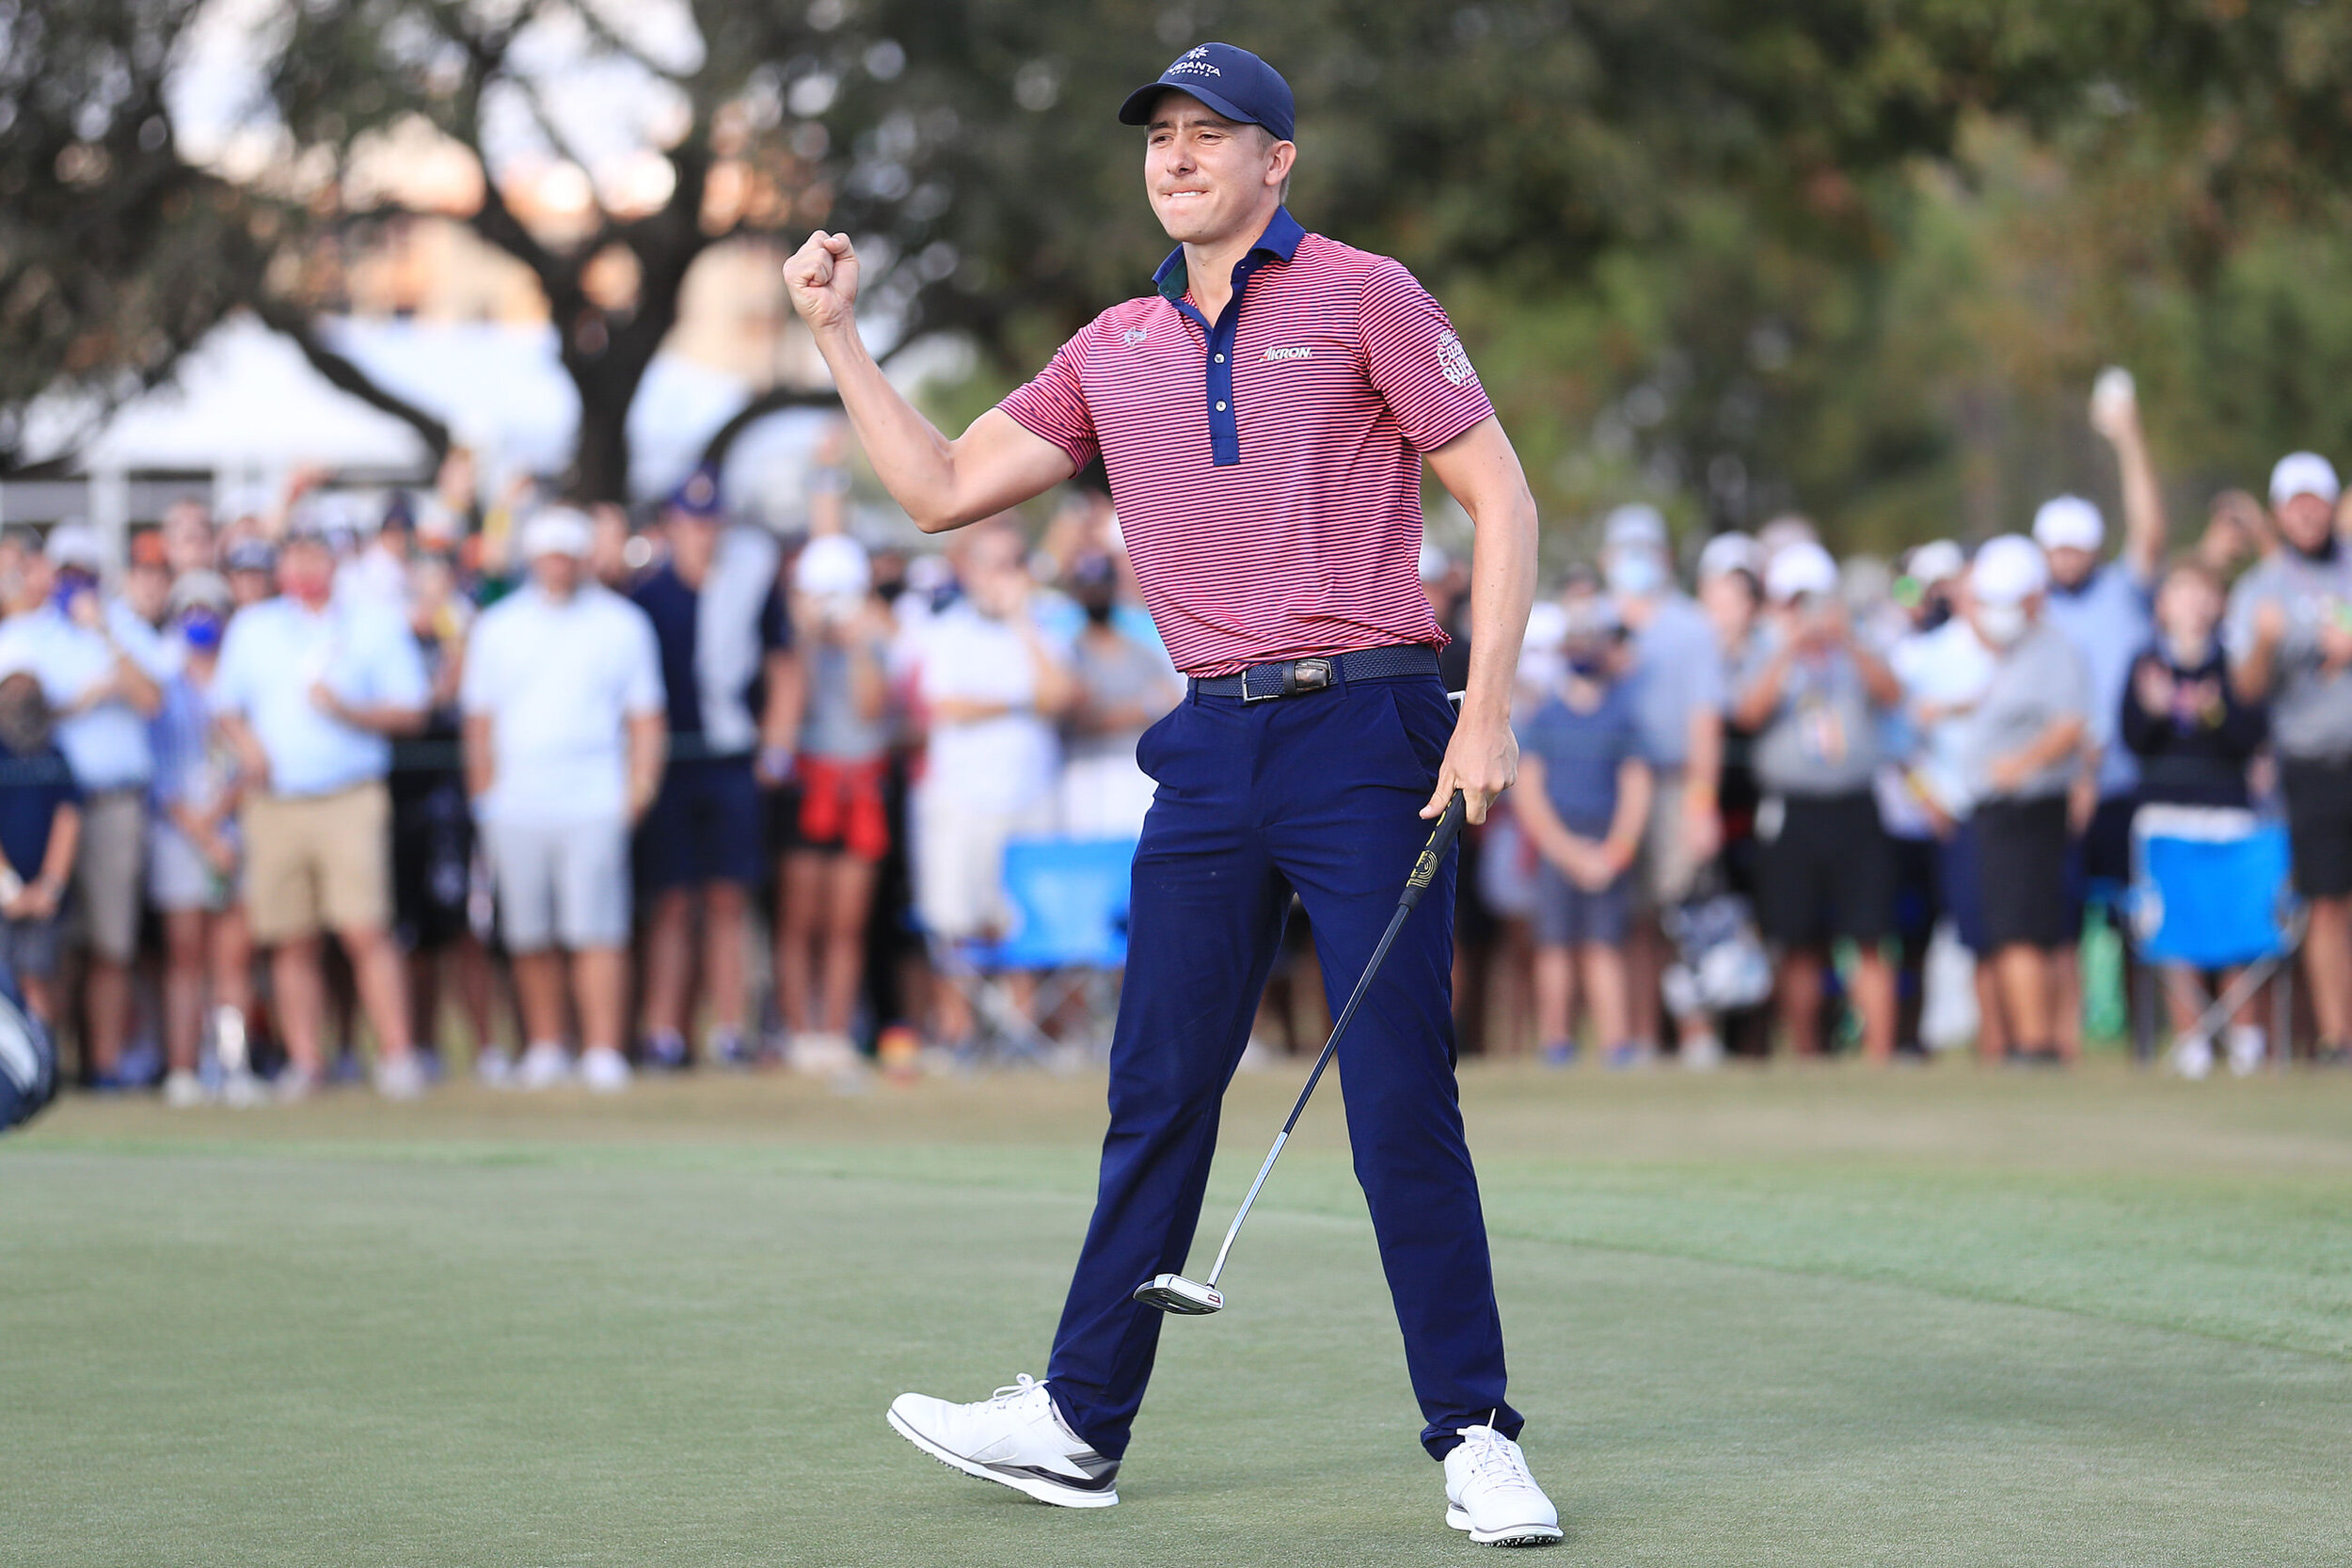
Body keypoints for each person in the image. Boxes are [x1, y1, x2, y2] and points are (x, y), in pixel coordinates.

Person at [784, 41, 1556, 1542]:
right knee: (1158, 1088)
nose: (1180, 156)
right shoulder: (1112, 345)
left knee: (1400, 1097)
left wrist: (1489, 711)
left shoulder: (1364, 293)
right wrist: (838, 336)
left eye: (1216, 134)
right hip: (1206, 743)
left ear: (1280, 161)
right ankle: (1080, 1422)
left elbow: (1502, 495)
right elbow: (939, 489)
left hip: (1372, 726)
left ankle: (1474, 1432)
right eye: (1163, 137)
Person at [212, 519, 432, 1100]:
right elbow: (226, 707)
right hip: (276, 801)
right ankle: (306, 1062)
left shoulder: (374, 624)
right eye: (295, 557)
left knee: (365, 928)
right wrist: (249, 746)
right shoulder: (255, 628)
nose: (305, 569)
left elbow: (411, 711)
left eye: (316, 556)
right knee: (291, 938)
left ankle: (398, 1056)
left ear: (335, 564)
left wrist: (348, 711)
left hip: (348, 795)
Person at [463, 507, 666, 1093]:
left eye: (567, 555)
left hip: (594, 796)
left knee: (597, 931)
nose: (557, 566)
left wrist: (637, 791)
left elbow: (645, 718)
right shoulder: (498, 626)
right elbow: (480, 721)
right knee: (530, 934)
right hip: (517, 802)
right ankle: (547, 1045)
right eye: (548, 555)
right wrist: (486, 798)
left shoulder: (621, 623)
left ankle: (602, 1048)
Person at [629, 467, 801, 1070]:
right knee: (672, 902)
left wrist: (775, 748)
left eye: (709, 523)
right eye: (690, 522)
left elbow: (784, 669)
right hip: (670, 765)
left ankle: (730, 1028)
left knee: (730, 899)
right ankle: (665, 1031)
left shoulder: (749, 585)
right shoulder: (646, 597)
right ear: (671, 527)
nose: (701, 534)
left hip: (731, 760)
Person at [0, 524, 170, 1088]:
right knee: (50, 948)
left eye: (84, 573)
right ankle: (51, 1064)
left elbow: (149, 699)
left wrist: (103, 635)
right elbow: (25, 717)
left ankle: (104, 1064)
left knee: (111, 942)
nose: (74, 583)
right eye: (65, 572)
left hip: (112, 803)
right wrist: (83, 700)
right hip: (42, 808)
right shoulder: (28, 633)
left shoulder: (119, 628)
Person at [1732, 540, 1902, 1061]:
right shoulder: (1762, 649)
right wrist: (1789, 648)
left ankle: (1879, 1056)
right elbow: (1747, 713)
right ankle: (1807, 1054)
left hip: (1855, 804)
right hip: (1793, 808)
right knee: (1796, 935)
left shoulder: (1860, 645)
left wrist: (1845, 640)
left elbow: (1892, 693)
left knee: (1869, 934)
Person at [908, 523, 1072, 1046]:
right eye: (994, 565)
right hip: (963, 797)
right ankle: (958, 1033)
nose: (1004, 577)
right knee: (955, 920)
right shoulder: (948, 628)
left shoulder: (1042, 626)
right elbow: (945, 705)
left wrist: (1021, 621)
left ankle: (1020, 1033)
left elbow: (1061, 694)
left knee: (1021, 922)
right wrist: (1019, 702)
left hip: (1029, 793)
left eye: (1012, 564)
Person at [2122, 558, 2269, 1076]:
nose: (2193, 605)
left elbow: (2248, 737)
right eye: (2181, 593)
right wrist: (2157, 709)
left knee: (2234, 928)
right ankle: (2192, 1043)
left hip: (2227, 815)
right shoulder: (2146, 665)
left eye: (2203, 593)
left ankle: (2246, 1037)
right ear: (2163, 605)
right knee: (2175, 931)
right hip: (2165, 816)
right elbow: (2133, 739)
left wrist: (2212, 711)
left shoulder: (2234, 666)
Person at [2228, 451, 2352, 1066]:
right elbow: (2245, 690)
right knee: (2327, 901)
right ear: (2280, 512)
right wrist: (2268, 642)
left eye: (2317, 499)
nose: (2307, 511)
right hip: (2313, 761)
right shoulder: (2262, 587)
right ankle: (2337, 1037)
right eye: (2295, 501)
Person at [1600, 505, 1725, 1064]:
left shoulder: (1692, 627)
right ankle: (1641, 1038)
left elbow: (1705, 723)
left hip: (1674, 785)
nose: (1634, 563)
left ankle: (1698, 1034)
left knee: (1682, 912)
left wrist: (1703, 803)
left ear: (1666, 558)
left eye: (1644, 551)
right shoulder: (1598, 626)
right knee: (1630, 918)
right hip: (1613, 787)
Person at [1960, 535, 2090, 1065]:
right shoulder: (2013, 652)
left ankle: (2035, 1044)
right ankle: (2025, 1042)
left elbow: (2070, 726)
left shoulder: (2052, 651)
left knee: (2022, 930)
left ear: (2035, 598)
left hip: (2027, 809)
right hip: (2004, 813)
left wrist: (2019, 765)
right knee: (2010, 929)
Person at [1513, 595, 1653, 1068]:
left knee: (1604, 947)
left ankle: (1617, 1046)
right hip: (1559, 842)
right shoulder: (1545, 717)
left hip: (1605, 840)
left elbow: (1637, 788)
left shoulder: (1622, 713)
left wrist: (1616, 851)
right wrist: (1567, 852)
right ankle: (1555, 1044)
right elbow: (1528, 793)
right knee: (1553, 946)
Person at [774, 532, 894, 1072]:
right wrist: (803, 637)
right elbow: (788, 707)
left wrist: (858, 643)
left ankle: (836, 1030)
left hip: (862, 783)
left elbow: (869, 708)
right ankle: (801, 1033)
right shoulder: (790, 643)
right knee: (800, 919)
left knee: (848, 921)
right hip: (808, 781)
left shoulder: (875, 640)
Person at [1886, 541, 2008, 1059]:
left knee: (1990, 934)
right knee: (1913, 939)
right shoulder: (1907, 653)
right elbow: (1900, 747)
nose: (1931, 599)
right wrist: (1927, 799)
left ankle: (1998, 1042)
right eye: (1919, 588)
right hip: (1922, 821)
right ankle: (1910, 1041)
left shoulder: (1991, 645)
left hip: (1983, 812)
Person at [147, 572, 258, 1108]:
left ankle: (233, 1066)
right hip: (179, 833)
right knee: (185, 957)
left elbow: (253, 762)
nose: (200, 619)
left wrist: (220, 823)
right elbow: (161, 775)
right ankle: (183, 1068)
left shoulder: (241, 681)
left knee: (231, 959)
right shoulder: (165, 688)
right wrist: (200, 829)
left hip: (234, 832)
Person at [1058, 554, 1179, 838]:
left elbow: (1172, 703)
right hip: (1083, 770)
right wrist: (1140, 709)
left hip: (1133, 768)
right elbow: (1076, 718)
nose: (1096, 596)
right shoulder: (1066, 651)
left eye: (1101, 587)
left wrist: (1110, 715)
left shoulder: (1141, 651)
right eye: (1089, 589)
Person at [0, 673, 81, 1026]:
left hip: (42, 894)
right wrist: (8, 888)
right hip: (7, 889)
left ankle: (40, 1062)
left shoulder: (56, 753)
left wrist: (49, 887)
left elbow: (68, 818)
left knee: (37, 978)